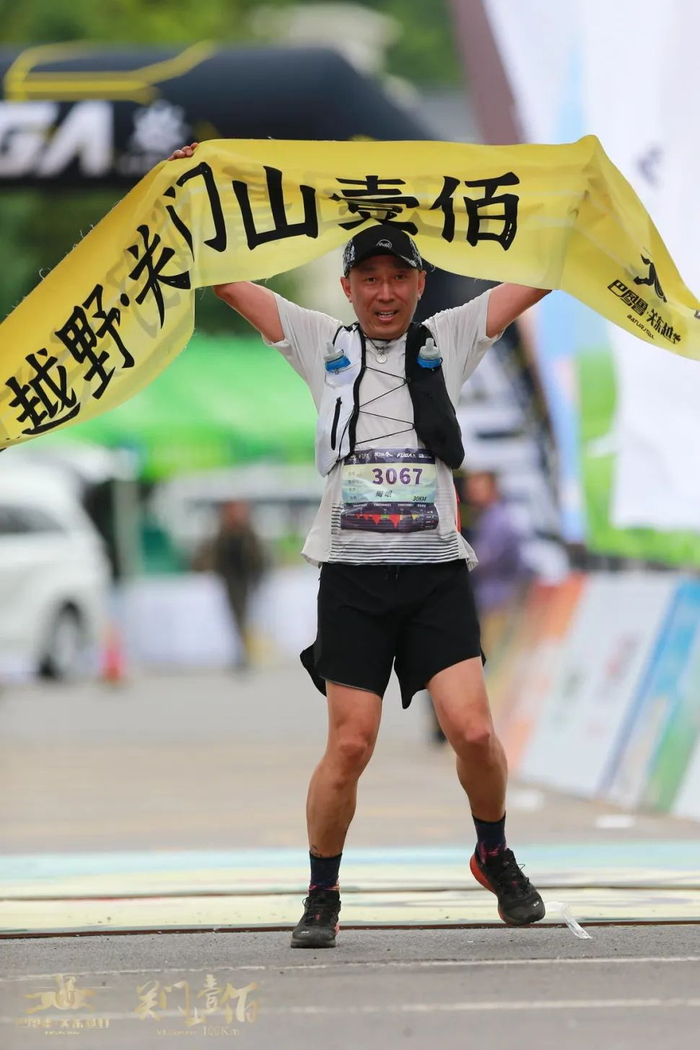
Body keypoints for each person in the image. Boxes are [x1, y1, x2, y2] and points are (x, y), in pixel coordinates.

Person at [169, 143, 551, 947]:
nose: (384, 293)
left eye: (398, 278)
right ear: (348, 288)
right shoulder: (321, 341)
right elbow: (228, 282)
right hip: (352, 579)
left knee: (475, 732)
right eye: (369, 279)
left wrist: (589, 208)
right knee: (350, 743)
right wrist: (184, 192)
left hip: (437, 575)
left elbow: (541, 276)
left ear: (418, 284)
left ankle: (493, 853)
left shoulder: (450, 335)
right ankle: (321, 891)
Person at [195, 500, 267, 671]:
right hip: (230, 581)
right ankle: (241, 654)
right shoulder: (223, 533)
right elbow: (213, 556)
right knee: (235, 618)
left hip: (246, 581)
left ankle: (246, 654)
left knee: (244, 617)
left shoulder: (247, 533)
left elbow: (257, 559)